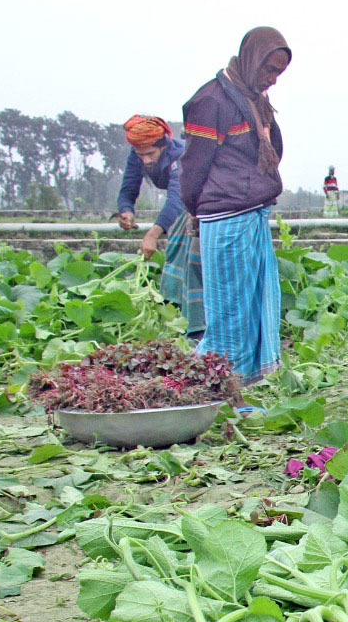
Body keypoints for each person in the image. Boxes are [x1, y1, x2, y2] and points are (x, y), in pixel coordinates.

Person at [180, 27, 291, 385]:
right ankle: (217, 387)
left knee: (254, 307)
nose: (272, 79)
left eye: (278, 73)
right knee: (230, 313)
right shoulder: (211, 101)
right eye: (269, 70)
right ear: (251, 60)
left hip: (251, 213)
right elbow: (193, 168)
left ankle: (241, 386)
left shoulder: (253, 100)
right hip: (226, 218)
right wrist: (195, 211)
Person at [117, 115, 204, 337]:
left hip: (203, 199)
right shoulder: (137, 155)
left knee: (185, 254)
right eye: (141, 155)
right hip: (186, 201)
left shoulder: (181, 154)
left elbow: (177, 199)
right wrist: (126, 211)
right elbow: (129, 187)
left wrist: (153, 235)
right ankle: (177, 314)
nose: (145, 160)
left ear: (163, 146)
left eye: (150, 154)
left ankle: (189, 318)